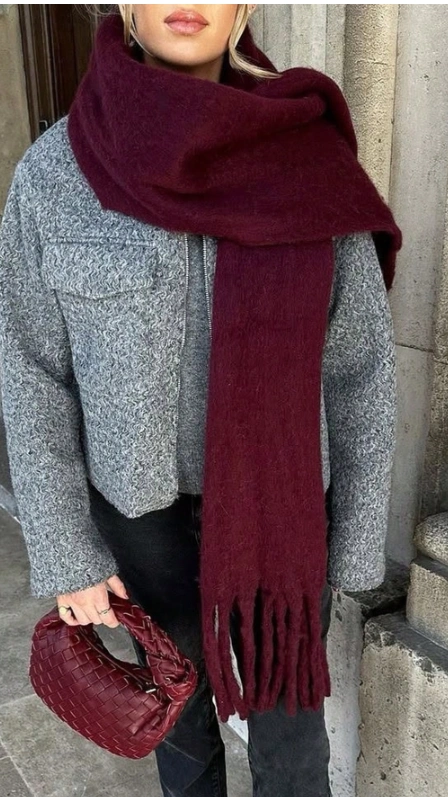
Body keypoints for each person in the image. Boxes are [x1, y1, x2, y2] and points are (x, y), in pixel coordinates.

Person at [0, 5, 402, 796]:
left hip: (280, 518)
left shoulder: (308, 158)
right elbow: (29, 371)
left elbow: (359, 368)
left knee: (293, 746)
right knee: (180, 734)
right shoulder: (56, 175)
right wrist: (68, 551)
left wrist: (354, 539)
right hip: (139, 524)